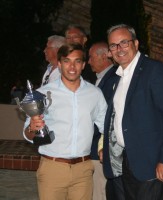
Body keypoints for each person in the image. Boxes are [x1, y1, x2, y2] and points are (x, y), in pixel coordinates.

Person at [102, 24, 163, 200]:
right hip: (123, 161)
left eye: (124, 43)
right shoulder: (115, 77)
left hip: (152, 164)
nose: (119, 49)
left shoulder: (154, 70)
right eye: (113, 45)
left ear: (136, 43)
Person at [23, 43, 107, 200]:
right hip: (53, 169)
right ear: (60, 64)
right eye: (67, 61)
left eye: (77, 61)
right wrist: (32, 128)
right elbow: (27, 133)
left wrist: (104, 147)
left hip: (83, 170)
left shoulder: (95, 94)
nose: (72, 66)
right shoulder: (43, 93)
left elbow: (106, 127)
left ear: (83, 65)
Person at [88, 41, 119, 200]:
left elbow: (107, 115)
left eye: (91, 57)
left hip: (100, 147)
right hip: (94, 148)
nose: (89, 61)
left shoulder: (113, 78)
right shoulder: (100, 78)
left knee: (100, 193)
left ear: (103, 56)